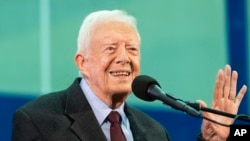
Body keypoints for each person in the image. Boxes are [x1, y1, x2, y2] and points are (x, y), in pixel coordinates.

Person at [12, 9, 247, 141]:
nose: (124, 58)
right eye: (111, 48)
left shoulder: (154, 132)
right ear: (82, 63)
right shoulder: (38, 121)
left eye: (132, 49)